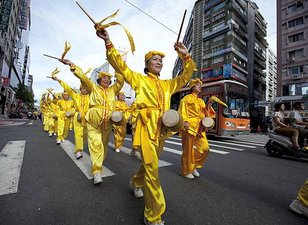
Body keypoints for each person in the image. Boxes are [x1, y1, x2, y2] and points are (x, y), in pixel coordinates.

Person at [96, 28, 195, 225]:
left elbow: (186, 77)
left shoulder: (168, 84)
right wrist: (108, 42)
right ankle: (153, 215)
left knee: (150, 164)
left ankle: (135, 182)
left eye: (161, 60)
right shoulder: (139, 79)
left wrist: (185, 56)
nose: (159, 62)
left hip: (162, 130)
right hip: (145, 126)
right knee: (153, 169)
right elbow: (120, 66)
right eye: (154, 60)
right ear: (147, 65)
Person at [59, 58, 124, 184]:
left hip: (107, 124)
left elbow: (120, 81)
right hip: (93, 124)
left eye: (108, 78)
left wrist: (117, 67)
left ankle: (98, 164)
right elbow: (83, 78)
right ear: (99, 80)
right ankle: (97, 171)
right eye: (103, 77)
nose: (106, 79)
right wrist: (73, 65)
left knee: (103, 147)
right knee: (96, 145)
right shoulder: (93, 88)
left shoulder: (113, 90)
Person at [178, 78, 216, 179]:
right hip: (189, 127)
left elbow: (206, 114)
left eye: (200, 85)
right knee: (188, 150)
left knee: (205, 148)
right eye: (198, 85)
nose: (200, 86)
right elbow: (182, 112)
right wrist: (185, 122)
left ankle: (193, 165)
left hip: (200, 128)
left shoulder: (201, 101)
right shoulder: (186, 99)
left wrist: (208, 107)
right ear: (192, 87)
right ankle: (185, 171)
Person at [51, 75, 90, 159]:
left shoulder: (91, 97)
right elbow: (67, 87)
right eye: (83, 88)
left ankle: (79, 148)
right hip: (77, 117)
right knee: (78, 134)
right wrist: (58, 79)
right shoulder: (76, 96)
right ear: (80, 89)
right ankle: (78, 150)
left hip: (87, 118)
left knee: (84, 135)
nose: (85, 90)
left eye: (86, 88)